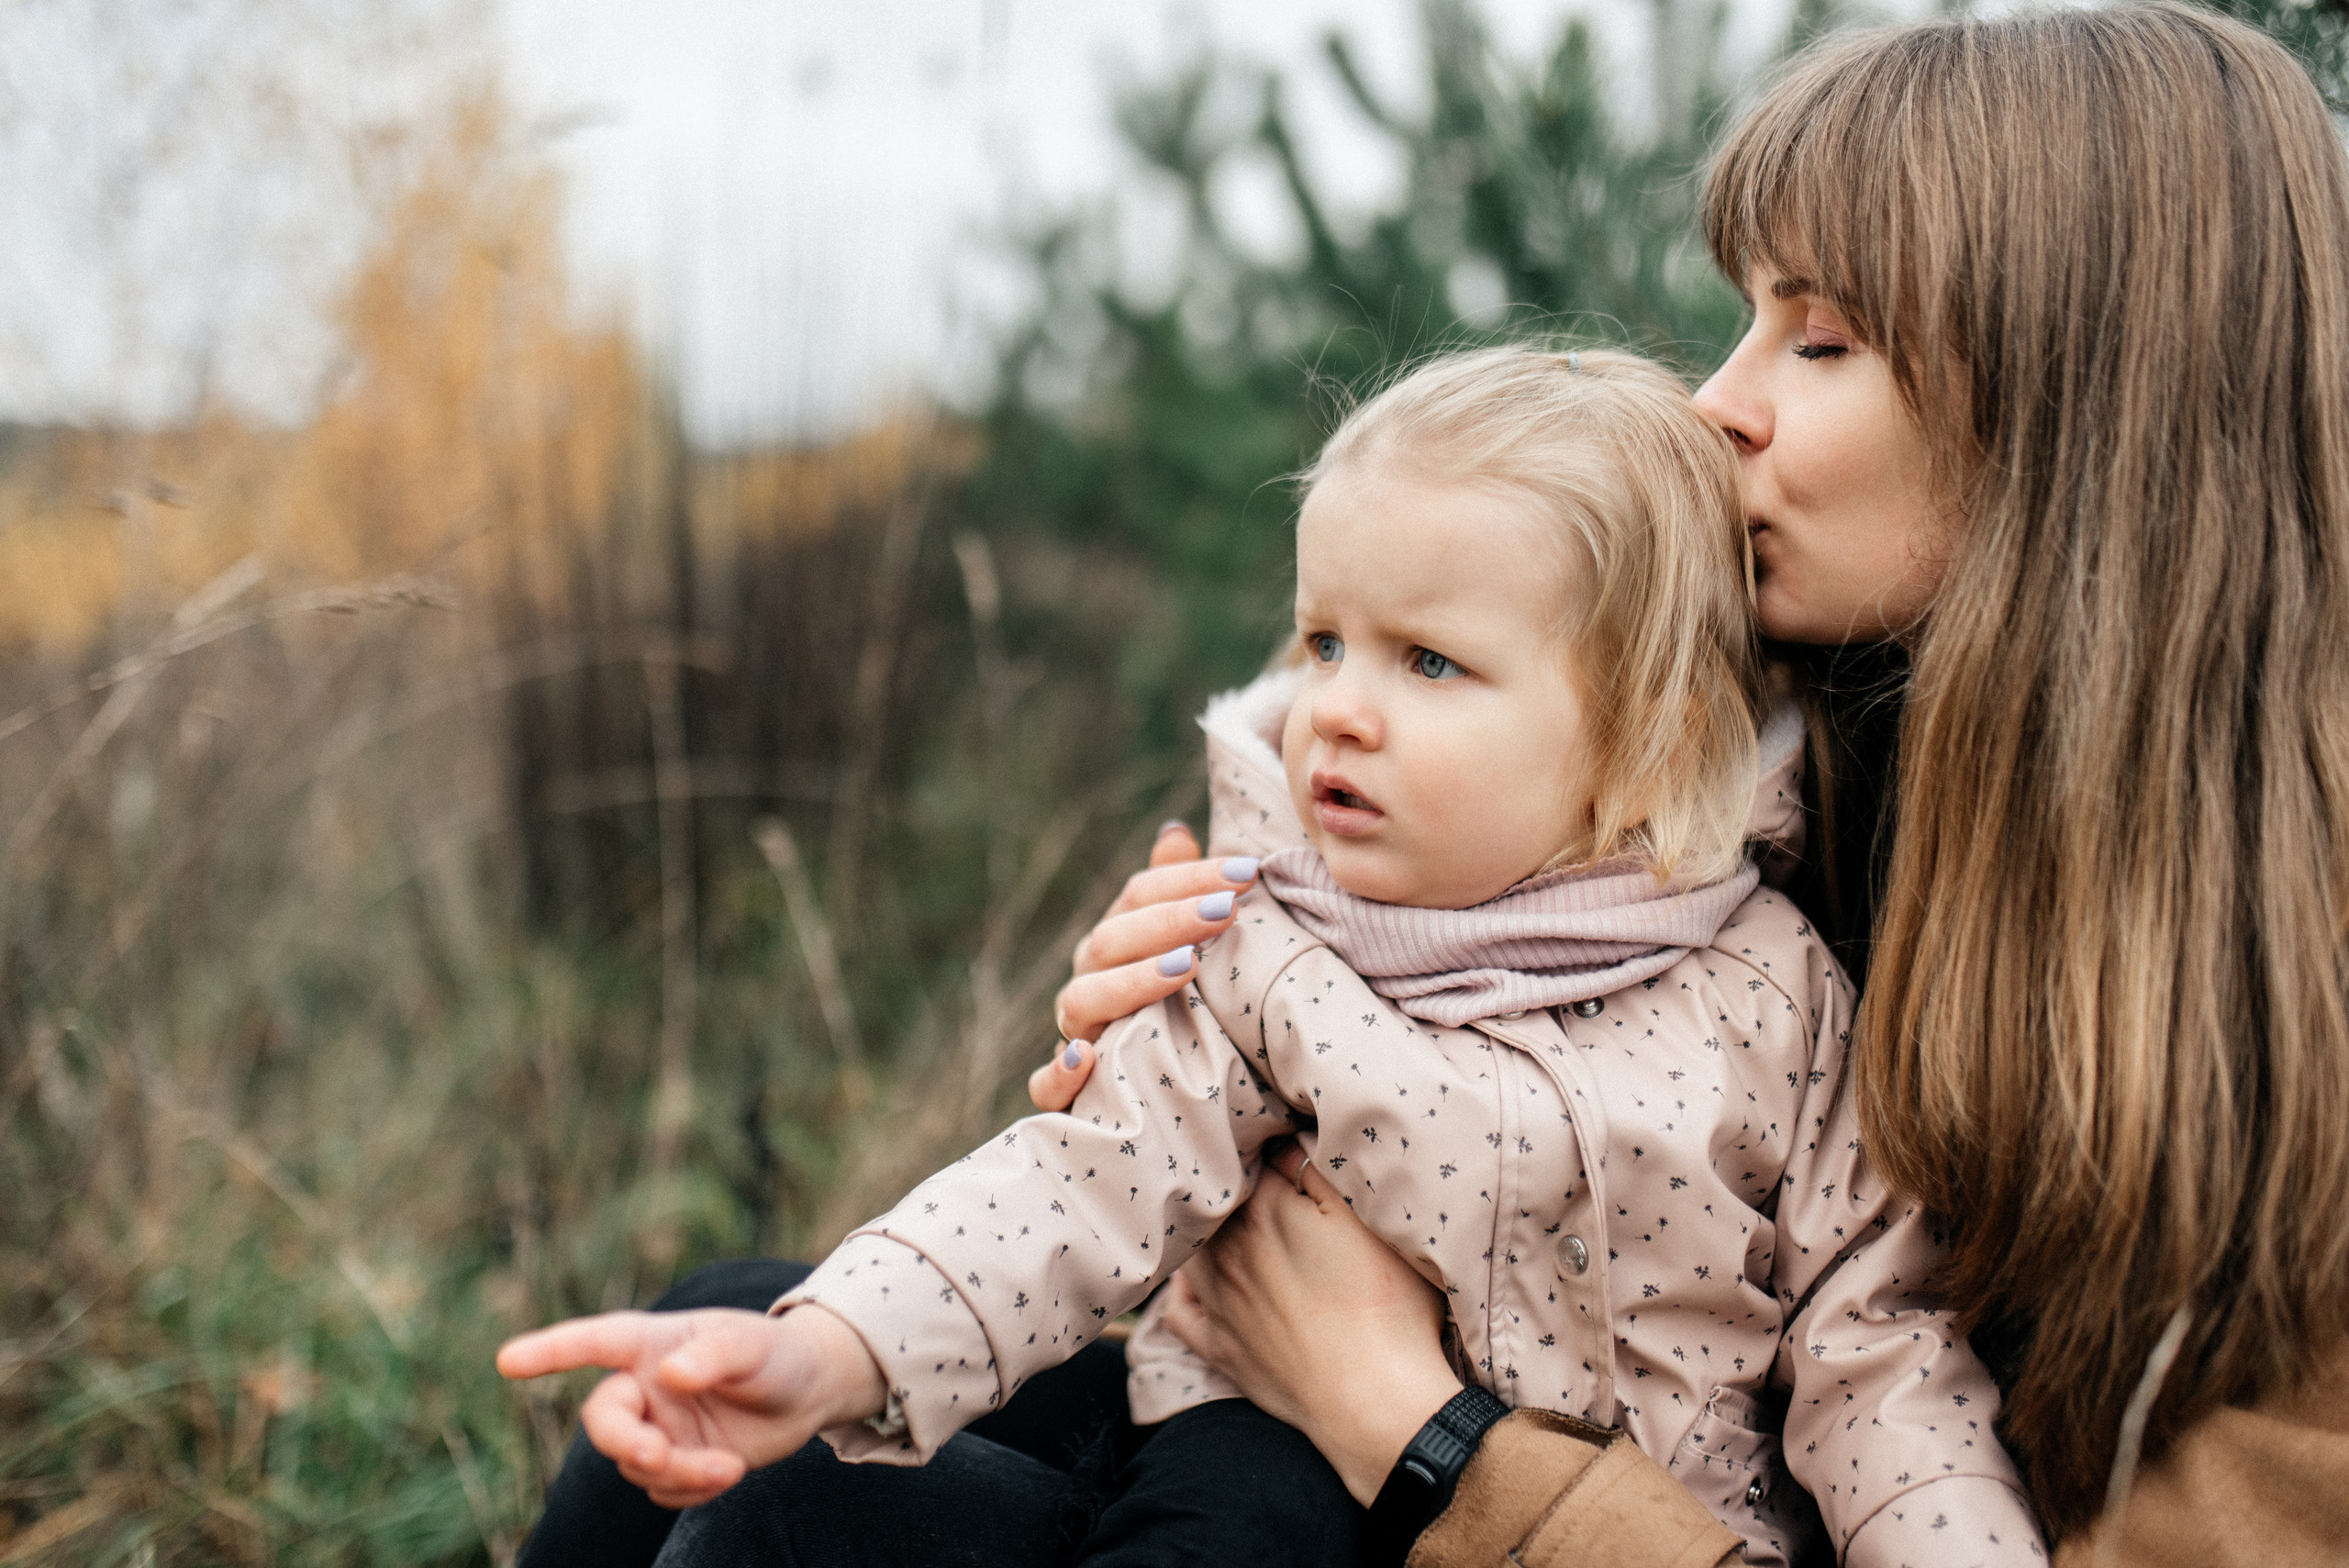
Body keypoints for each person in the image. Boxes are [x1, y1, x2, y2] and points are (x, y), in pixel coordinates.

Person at [509, 6, 2349, 1564]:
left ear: (2076, 411)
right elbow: (1148, 1149)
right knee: (717, 1344)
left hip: (1533, 1496)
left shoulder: (2250, 994)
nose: (1715, 406)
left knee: (810, 1528)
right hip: (1319, 1416)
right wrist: (1192, 1028)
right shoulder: (1827, 757)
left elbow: (1883, 1402)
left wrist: (1415, 1421)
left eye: (1817, 336)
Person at [501, 345, 2043, 1567]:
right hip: (1261, 1457)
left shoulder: (1779, 993)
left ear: (1649, 737)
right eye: (1323, 643)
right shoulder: (1266, 946)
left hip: (1575, 1524)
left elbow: (1879, 1357)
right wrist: (830, 1351)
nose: (1337, 710)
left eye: (1429, 661)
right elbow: (1068, 1184)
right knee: (1220, 1483)